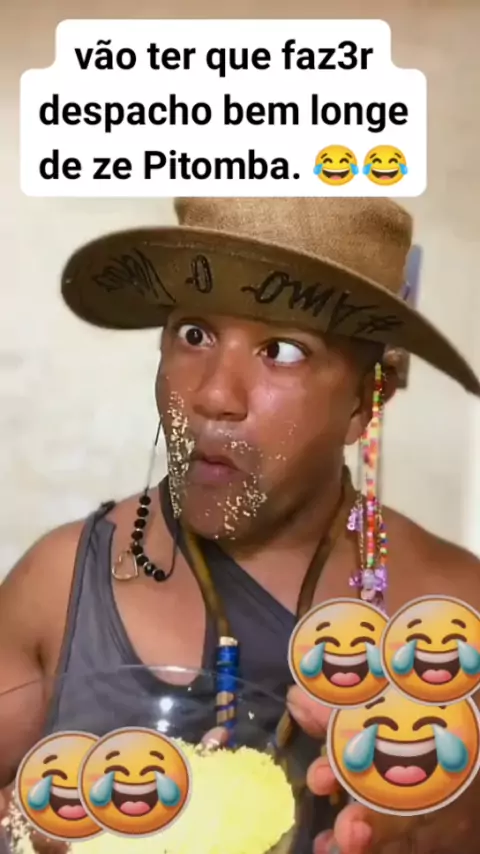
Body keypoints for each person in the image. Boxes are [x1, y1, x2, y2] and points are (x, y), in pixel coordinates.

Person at [1, 197, 479, 854]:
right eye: (194, 334)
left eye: (282, 350)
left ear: (364, 402)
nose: (214, 395)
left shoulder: (456, 611)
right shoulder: (56, 585)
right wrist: (22, 830)